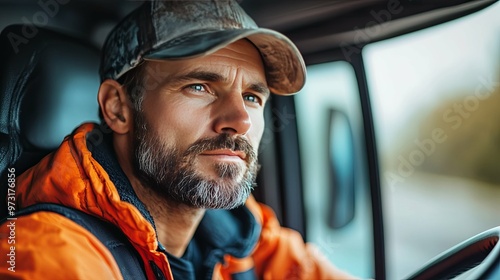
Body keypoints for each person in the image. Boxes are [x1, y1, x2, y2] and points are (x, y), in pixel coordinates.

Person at [0, 0, 355, 279]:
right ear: (118, 108)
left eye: (252, 96)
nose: (241, 121)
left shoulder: (240, 229)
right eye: (199, 86)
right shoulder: (51, 256)